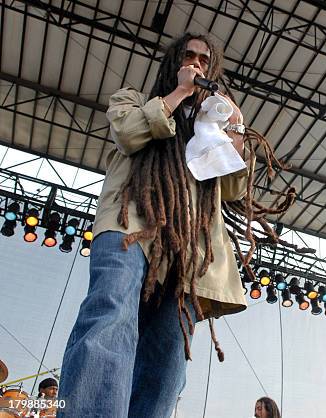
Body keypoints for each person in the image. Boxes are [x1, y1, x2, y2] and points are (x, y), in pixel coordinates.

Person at [57, 32, 292, 418]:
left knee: (169, 357)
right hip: (128, 224)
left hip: (187, 249)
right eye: (188, 56)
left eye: (203, 59)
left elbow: (233, 187)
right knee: (110, 315)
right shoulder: (134, 99)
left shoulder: (212, 129)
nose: (196, 63)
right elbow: (128, 133)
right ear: (173, 64)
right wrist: (179, 94)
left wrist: (234, 128)